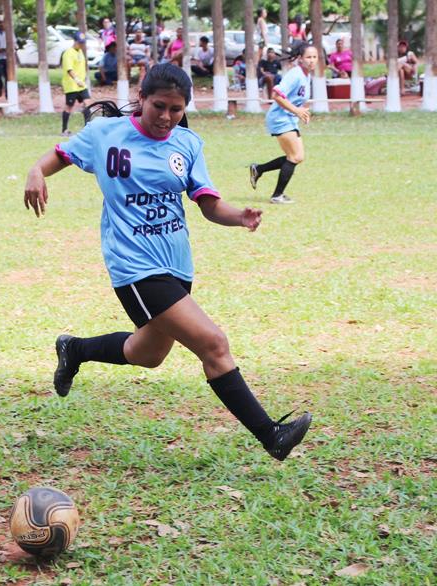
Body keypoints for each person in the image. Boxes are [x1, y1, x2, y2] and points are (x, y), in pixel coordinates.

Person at [23, 63, 312, 463]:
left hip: (176, 263)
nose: (166, 117)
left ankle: (75, 349)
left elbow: (208, 204)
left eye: (176, 109)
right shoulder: (105, 134)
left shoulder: (187, 144)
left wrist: (238, 216)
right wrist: (36, 172)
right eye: (159, 106)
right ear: (142, 97)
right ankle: (271, 435)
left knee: (148, 354)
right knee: (214, 344)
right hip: (134, 266)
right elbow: (57, 157)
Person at [250, 44, 318, 204]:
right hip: (279, 119)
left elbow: (294, 98)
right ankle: (277, 196)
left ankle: (258, 169)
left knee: (297, 156)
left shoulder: (306, 75)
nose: (312, 61)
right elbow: (277, 95)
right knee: (295, 156)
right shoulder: (295, 75)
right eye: (308, 57)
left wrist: (301, 111)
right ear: (301, 58)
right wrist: (297, 111)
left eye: (315, 57)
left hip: (289, 118)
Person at [60, 32, 90, 137]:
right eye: (80, 42)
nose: (81, 45)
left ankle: (88, 129)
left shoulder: (80, 52)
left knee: (88, 103)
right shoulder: (68, 53)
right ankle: (64, 129)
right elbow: (69, 69)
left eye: (83, 43)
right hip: (72, 85)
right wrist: (76, 79)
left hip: (82, 85)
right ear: (75, 41)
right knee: (69, 106)